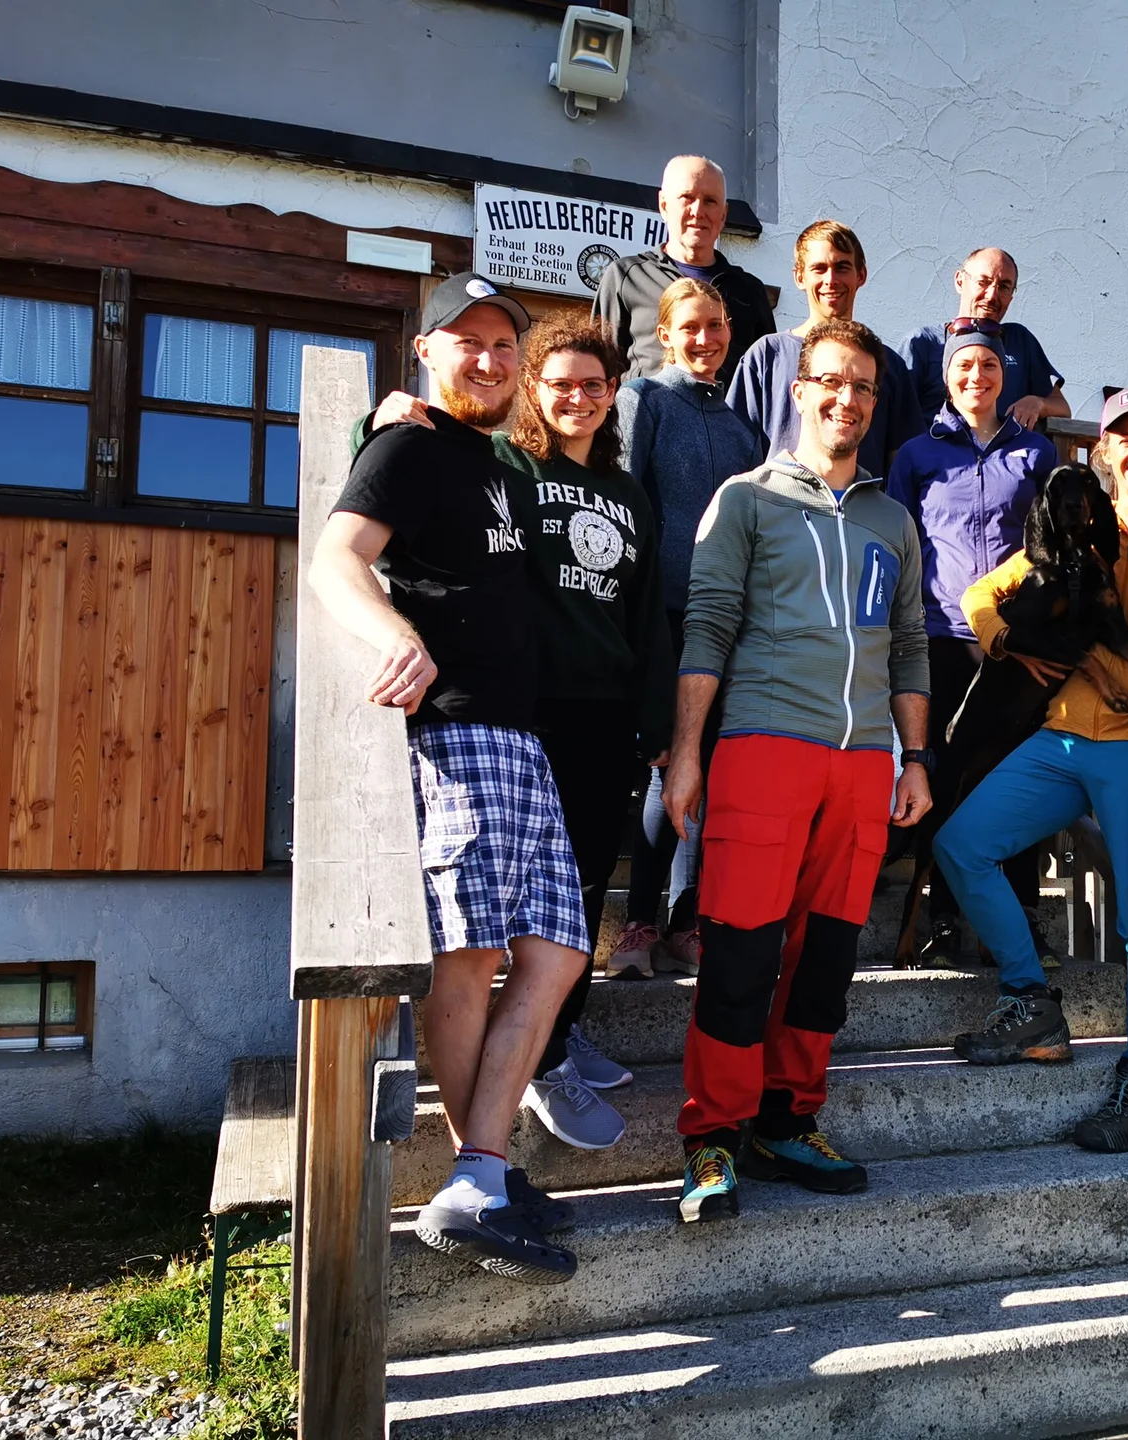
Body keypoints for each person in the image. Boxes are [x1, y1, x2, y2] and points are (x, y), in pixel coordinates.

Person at [310, 273, 586, 1284]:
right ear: (425, 349)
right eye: (465, 342)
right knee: (469, 956)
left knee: (554, 953)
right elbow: (337, 558)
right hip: (458, 735)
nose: (489, 359)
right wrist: (397, 636)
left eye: (502, 345)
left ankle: (482, 1171)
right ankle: (480, 1177)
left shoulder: (497, 462)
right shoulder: (410, 445)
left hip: (521, 739)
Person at [362, 312, 676, 1154]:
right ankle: (531, 1067)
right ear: (535, 389)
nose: (578, 397)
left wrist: (657, 726)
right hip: (528, 712)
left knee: (572, 895)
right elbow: (432, 456)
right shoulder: (508, 466)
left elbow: (648, 620)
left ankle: (555, 1037)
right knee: (515, 913)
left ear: (614, 397)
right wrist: (383, 415)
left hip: (606, 713)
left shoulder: (628, 496)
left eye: (595, 385)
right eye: (561, 382)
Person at [664, 317, 932, 1224]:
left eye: (863, 386)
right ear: (798, 388)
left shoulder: (894, 519)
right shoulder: (745, 498)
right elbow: (705, 627)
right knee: (741, 950)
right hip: (763, 746)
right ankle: (713, 1137)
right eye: (831, 381)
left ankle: (788, 1118)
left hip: (863, 764)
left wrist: (917, 758)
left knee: (823, 961)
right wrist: (689, 754)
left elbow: (907, 647)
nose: (847, 398)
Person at [936, 387, 1128, 1153]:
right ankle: (1031, 1000)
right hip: (1059, 738)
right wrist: (1003, 644)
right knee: (960, 845)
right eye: (1124, 440)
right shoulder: (1075, 524)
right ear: (1104, 452)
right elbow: (980, 592)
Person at [885, 322, 1056, 968]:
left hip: (1015, 643)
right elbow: (902, 546)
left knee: (1020, 779)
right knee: (947, 775)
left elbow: (1050, 548)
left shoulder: (1035, 453)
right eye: (964, 367)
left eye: (987, 366)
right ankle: (945, 918)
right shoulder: (917, 455)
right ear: (949, 376)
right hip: (942, 637)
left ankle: (1025, 914)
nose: (976, 377)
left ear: (1003, 374)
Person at [607, 279, 764, 979]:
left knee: (718, 768)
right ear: (666, 333)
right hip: (661, 614)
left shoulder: (742, 429)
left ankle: (684, 919)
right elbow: (624, 504)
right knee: (668, 762)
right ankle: (639, 924)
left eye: (717, 326)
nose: (706, 340)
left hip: (727, 618)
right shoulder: (645, 401)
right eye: (691, 328)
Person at [727, 219, 921, 481]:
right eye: (819, 269)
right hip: (778, 512)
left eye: (842, 267)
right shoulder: (766, 357)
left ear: (861, 275)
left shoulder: (887, 365)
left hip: (861, 515)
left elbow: (905, 468)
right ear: (799, 276)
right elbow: (733, 453)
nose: (831, 280)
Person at [592, 154, 775, 381]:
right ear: (664, 205)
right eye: (687, 197)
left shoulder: (749, 291)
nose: (698, 211)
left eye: (710, 201)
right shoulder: (626, 278)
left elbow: (767, 379)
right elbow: (599, 367)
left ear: (723, 215)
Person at [902, 247, 1071, 429]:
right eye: (983, 281)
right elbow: (895, 411)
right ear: (960, 281)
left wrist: (1038, 403)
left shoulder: (1020, 340)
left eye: (1004, 287)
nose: (992, 296)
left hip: (1010, 454)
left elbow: (1062, 408)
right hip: (938, 453)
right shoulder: (923, 343)